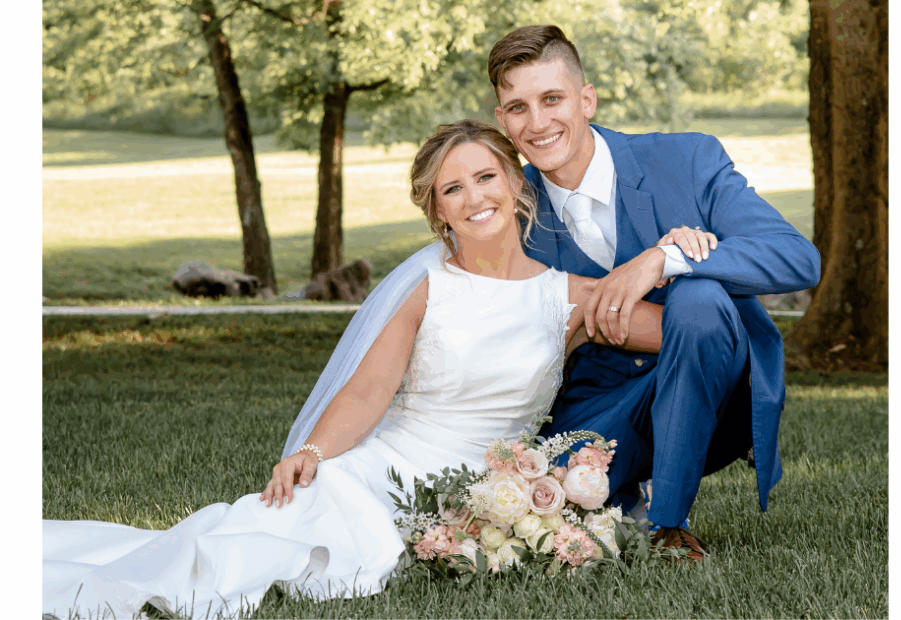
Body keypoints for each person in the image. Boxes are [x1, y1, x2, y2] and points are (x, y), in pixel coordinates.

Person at [43, 120, 711, 620]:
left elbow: (691, 336)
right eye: (453, 188)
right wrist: (312, 449)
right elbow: (367, 391)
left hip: (481, 483)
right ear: (438, 209)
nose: (474, 196)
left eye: (485, 177)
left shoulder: (569, 298)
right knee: (272, 532)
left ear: (515, 183)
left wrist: (667, 257)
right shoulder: (429, 286)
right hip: (382, 464)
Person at [486, 25, 821, 560]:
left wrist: (666, 259)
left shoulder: (687, 160)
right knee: (542, 522)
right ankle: (623, 492)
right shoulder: (505, 208)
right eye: (518, 107)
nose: (539, 122)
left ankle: (669, 521)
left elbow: (798, 258)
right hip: (597, 413)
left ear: (586, 99)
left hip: (715, 400)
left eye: (553, 99)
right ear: (502, 120)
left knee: (699, 297)